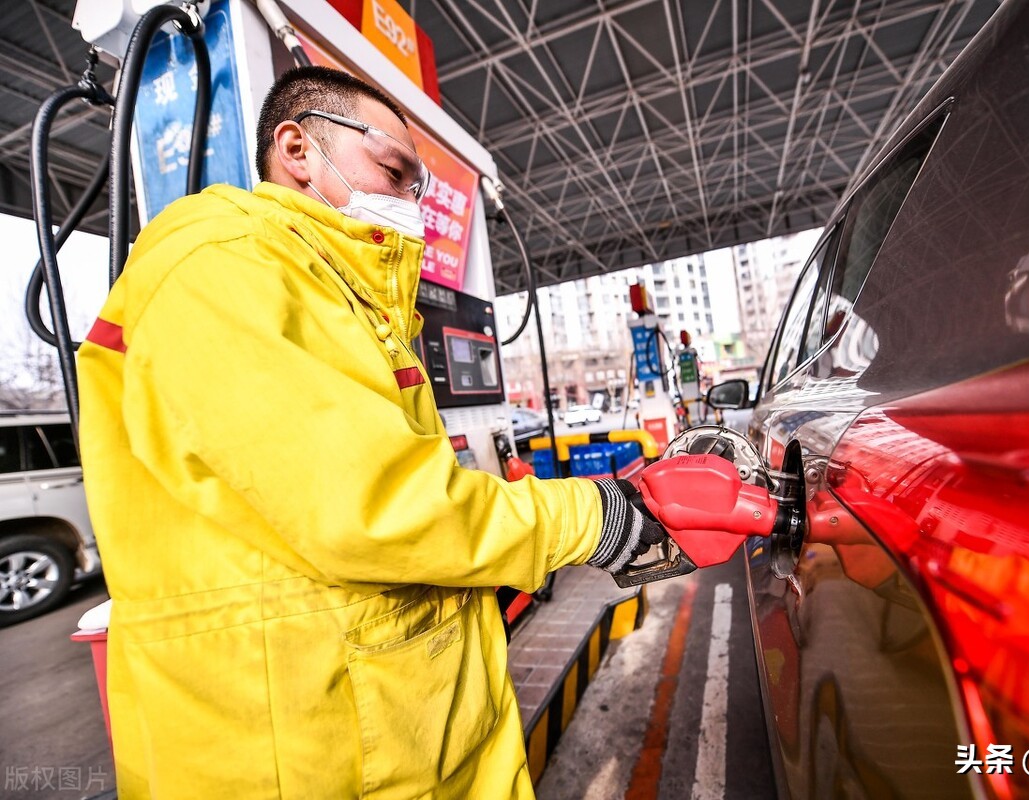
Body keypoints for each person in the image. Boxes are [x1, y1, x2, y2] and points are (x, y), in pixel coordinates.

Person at [77, 66, 664, 799]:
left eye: (418, 188)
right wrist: (600, 516)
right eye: (394, 171)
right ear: (297, 150)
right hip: (291, 756)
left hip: (383, 736)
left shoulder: (348, 303)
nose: (410, 203)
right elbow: (379, 506)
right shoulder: (221, 263)